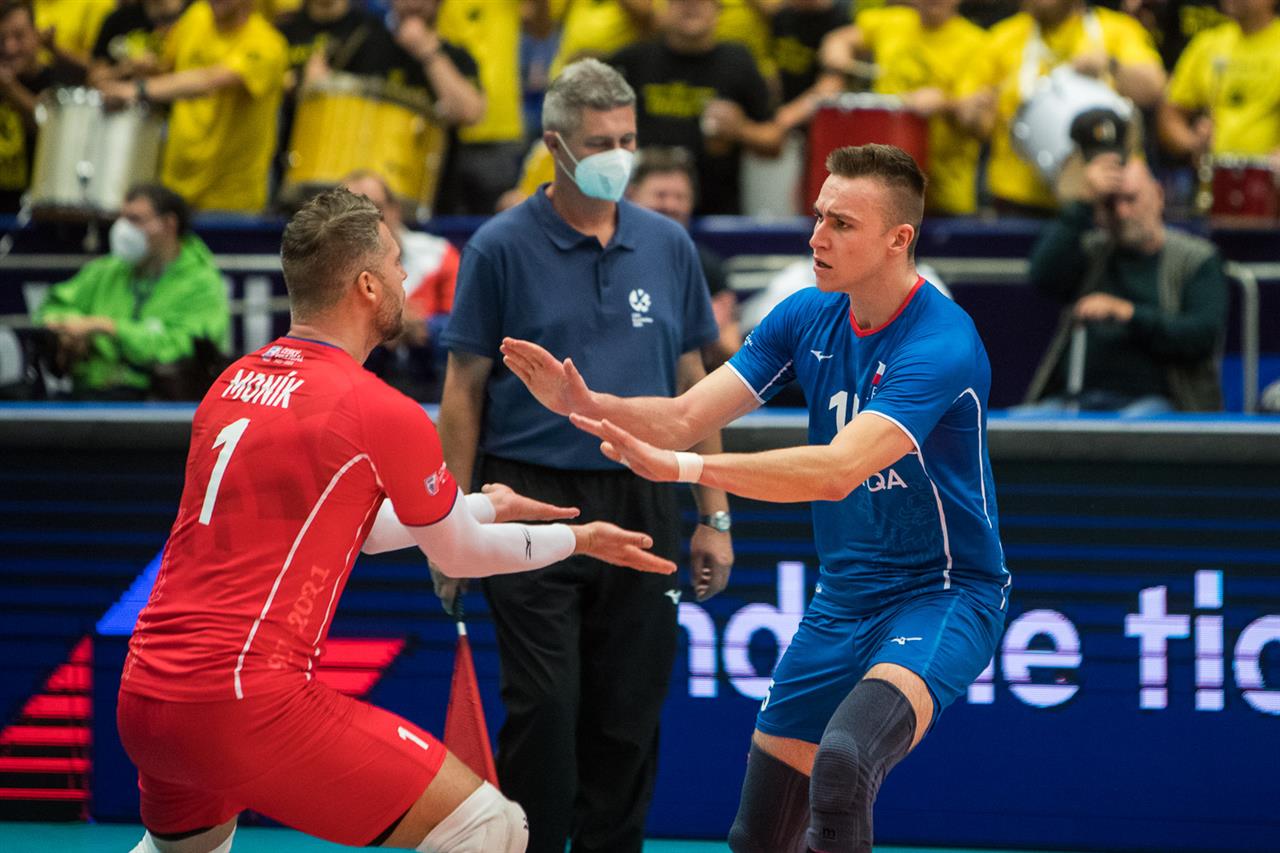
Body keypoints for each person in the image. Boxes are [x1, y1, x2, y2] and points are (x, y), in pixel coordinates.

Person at [115, 187, 675, 853]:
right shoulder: (376, 408)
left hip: (148, 697)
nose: (406, 277)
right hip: (245, 700)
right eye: (396, 262)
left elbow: (361, 529)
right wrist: (577, 539)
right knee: (493, 825)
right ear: (367, 285)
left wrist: (485, 502)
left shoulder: (232, 383)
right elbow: (459, 554)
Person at [501, 143, 1010, 853]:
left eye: (841, 224)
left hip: (943, 592)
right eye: (818, 216)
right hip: (844, 598)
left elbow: (837, 470)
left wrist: (681, 469)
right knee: (759, 835)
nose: (817, 237)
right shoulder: (805, 315)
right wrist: (585, 403)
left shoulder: (942, 340)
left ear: (900, 239)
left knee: (844, 760)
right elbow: (685, 416)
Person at [436, 58, 734, 853]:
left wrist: (714, 516)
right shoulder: (498, 247)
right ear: (555, 144)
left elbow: (695, 384)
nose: (620, 155)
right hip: (528, 500)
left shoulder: (668, 245)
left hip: (643, 495)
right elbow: (463, 389)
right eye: (602, 142)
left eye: (628, 139)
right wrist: (447, 524)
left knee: (627, 717)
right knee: (544, 708)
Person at [1022, 154, 1227, 413]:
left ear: (1159, 195)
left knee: (1130, 426)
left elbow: (1201, 337)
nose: (1122, 212)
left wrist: (1127, 313)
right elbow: (1042, 275)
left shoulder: (1196, 258)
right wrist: (1083, 202)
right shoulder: (1093, 251)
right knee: (1016, 423)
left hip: (1161, 402)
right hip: (1077, 398)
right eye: (1110, 204)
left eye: (1131, 199)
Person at [33, 183, 229, 400]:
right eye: (122, 218)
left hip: (159, 402)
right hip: (90, 395)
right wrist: (68, 331)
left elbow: (183, 348)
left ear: (169, 224)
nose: (123, 229)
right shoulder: (107, 269)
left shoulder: (202, 282)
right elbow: (51, 308)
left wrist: (108, 328)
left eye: (135, 219)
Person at [970, 0, 1166, 214]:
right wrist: (970, 112)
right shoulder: (1002, 37)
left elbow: (1153, 90)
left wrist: (1111, 65)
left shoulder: (1118, 30)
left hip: (1109, 199)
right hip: (1020, 201)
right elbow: (980, 125)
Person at [96, 0, 288, 214]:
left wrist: (137, 89)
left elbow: (209, 81)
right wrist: (138, 70)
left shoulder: (267, 44)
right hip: (175, 187)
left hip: (229, 197)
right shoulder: (196, 17)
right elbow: (167, 68)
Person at [814, 0, 993, 215]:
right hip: (884, 186)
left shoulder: (977, 44)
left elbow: (980, 123)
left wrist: (945, 103)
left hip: (943, 194)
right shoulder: (893, 22)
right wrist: (837, 50)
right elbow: (837, 39)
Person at [610, 0, 781, 215]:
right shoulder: (633, 61)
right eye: (682, 1)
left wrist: (740, 130)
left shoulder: (738, 62)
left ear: (718, 9)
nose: (692, 6)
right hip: (643, 209)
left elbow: (775, 141)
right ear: (665, 7)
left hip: (716, 213)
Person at [344, 168, 459, 401]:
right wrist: (380, 327)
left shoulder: (439, 254)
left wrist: (426, 328)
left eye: (376, 208)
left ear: (394, 210)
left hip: (432, 380)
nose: (368, 222)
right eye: (354, 214)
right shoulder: (332, 267)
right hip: (362, 386)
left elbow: (463, 327)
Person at [626, 146, 741, 369]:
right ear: (631, 196)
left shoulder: (707, 267)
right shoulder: (611, 259)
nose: (671, 205)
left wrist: (709, 331)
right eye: (660, 195)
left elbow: (734, 359)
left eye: (680, 197)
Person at [1157, 0, 1280, 168]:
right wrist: (1192, 143)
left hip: (1268, 174)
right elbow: (1170, 114)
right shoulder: (1208, 44)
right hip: (1214, 172)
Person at [0, 0, 84, 212]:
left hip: (41, 214)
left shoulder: (59, 82)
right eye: (1, 39)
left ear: (36, 35)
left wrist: (10, 88)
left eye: (19, 36)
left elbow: (51, 132)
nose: (10, 48)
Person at [87, 0, 188, 87]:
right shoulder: (119, 20)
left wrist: (159, 70)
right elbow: (93, 79)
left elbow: (195, 78)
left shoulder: (189, 17)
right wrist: (126, 68)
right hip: (121, 99)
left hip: (172, 99)